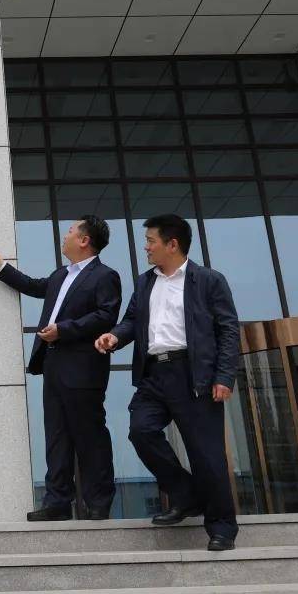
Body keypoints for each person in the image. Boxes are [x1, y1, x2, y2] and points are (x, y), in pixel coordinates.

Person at [95, 214, 240, 551]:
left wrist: (223, 376)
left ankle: (221, 527)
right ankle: (186, 495)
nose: (146, 247)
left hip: (194, 375)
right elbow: (132, 321)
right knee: (141, 430)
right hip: (154, 375)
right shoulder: (146, 282)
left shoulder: (208, 281)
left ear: (172, 244)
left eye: (151, 241)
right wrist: (114, 337)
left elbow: (229, 330)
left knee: (207, 455)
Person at [0, 214, 122, 521]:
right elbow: (33, 286)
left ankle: (98, 502)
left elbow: (106, 316)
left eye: (70, 231)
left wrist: (64, 329)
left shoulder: (104, 275)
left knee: (89, 435)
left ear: (84, 240)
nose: (65, 236)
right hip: (54, 363)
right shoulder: (61, 275)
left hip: (83, 367)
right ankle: (57, 502)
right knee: (56, 435)